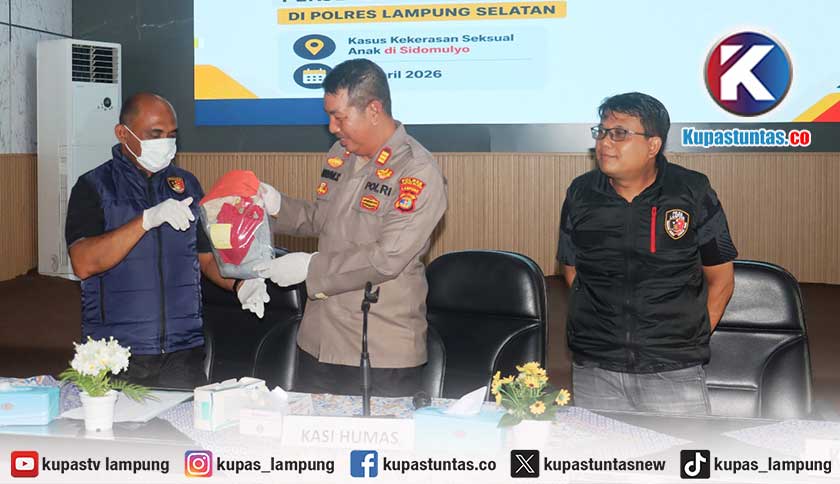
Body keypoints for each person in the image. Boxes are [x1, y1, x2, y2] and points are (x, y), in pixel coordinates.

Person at [256, 59, 447, 397]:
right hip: (319, 341)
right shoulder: (342, 154)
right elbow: (323, 218)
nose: (332, 127)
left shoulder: (417, 170)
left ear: (373, 110)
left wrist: (310, 267)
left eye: (340, 117)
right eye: (329, 116)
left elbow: (387, 257)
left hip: (379, 350)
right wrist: (276, 205)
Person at [65, 92, 268, 389]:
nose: (166, 142)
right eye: (155, 134)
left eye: (172, 134)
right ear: (123, 133)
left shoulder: (186, 185)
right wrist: (145, 221)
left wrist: (241, 284)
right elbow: (83, 263)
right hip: (116, 352)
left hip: (183, 350)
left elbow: (205, 258)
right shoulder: (93, 187)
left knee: (186, 419)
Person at [557, 92, 737, 414]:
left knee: (684, 448)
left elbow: (721, 279)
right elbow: (572, 271)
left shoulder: (691, 191)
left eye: (619, 133)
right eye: (601, 132)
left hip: (674, 370)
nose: (604, 143)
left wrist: (685, 340)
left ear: (653, 145)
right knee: (598, 449)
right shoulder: (581, 193)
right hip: (596, 369)